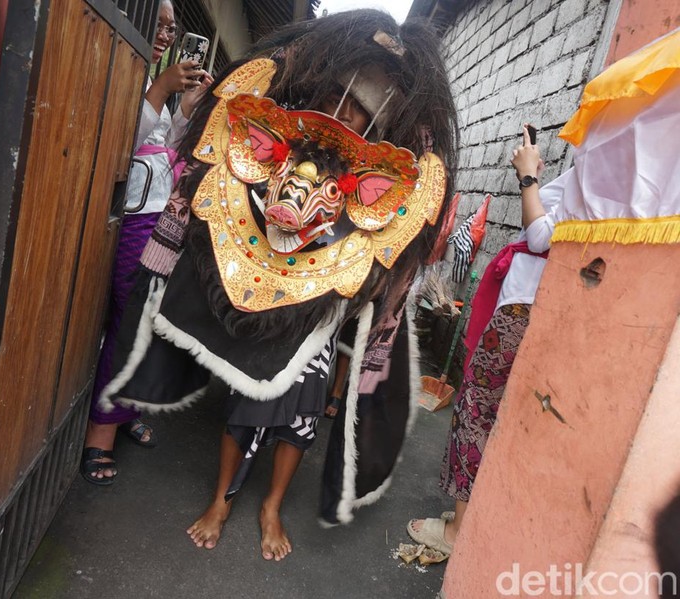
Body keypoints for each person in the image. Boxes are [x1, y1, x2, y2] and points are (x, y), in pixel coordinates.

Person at [99, 9, 459, 559]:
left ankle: (270, 506)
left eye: (365, 107)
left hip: (329, 295)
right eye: (346, 96)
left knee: (302, 413)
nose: (351, 112)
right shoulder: (284, 126)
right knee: (247, 398)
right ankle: (222, 498)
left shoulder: (394, 169)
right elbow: (215, 164)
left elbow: (402, 242)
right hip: (262, 272)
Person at [407, 124, 565, 556]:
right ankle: (466, 516)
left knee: (476, 411)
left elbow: (540, 236)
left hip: (523, 311)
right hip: (524, 307)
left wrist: (528, 176)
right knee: (486, 411)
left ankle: (457, 533)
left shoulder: (606, 169)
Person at [81, 0, 213, 485]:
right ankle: (100, 435)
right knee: (130, 321)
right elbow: (118, 141)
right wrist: (159, 89)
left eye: (172, 28)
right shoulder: (120, 69)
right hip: (135, 220)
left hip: (162, 218)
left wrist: (184, 110)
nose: (165, 34)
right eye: (156, 24)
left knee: (148, 325)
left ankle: (124, 409)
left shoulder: (152, 77)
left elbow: (165, 145)